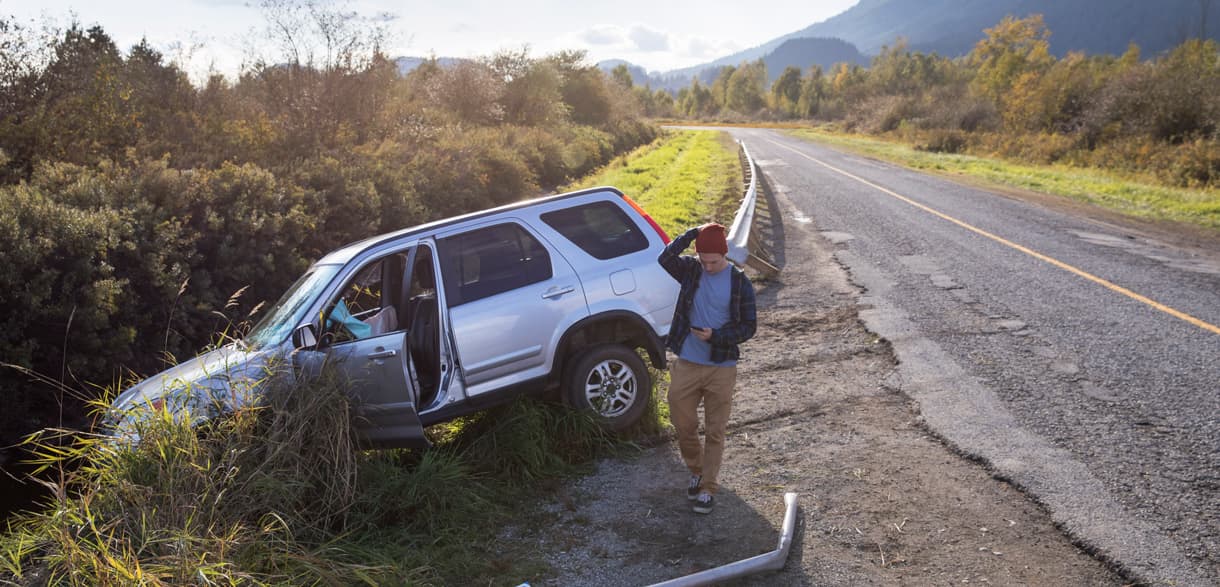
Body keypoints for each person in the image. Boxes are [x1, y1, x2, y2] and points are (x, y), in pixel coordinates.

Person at [658, 223, 757, 514]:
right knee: (682, 423)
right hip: (687, 361)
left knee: (715, 430)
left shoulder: (740, 282)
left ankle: (708, 487)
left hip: (721, 366)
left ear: (724, 255)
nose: (709, 266)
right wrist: (693, 233)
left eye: (714, 261)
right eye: (704, 260)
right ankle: (697, 470)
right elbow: (665, 258)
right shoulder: (691, 270)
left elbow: (749, 327)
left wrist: (716, 336)